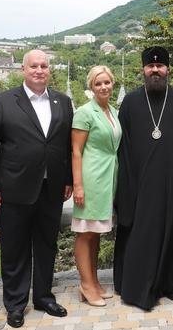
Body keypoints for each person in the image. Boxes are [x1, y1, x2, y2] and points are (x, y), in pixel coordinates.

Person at [0, 50, 74, 328]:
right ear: (23, 69)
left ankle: (44, 297)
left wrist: (68, 179)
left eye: (44, 66)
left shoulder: (62, 101)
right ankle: (16, 304)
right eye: (34, 66)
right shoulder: (4, 101)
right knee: (14, 249)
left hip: (51, 188)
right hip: (14, 189)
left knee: (46, 246)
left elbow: (66, 146)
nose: (39, 70)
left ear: (49, 69)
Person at [113, 46, 173, 311]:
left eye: (160, 66)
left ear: (168, 69)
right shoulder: (130, 102)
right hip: (139, 183)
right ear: (143, 70)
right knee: (140, 234)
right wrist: (127, 186)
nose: (155, 70)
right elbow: (122, 148)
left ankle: (170, 283)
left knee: (170, 232)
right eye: (150, 66)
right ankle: (136, 285)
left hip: (172, 182)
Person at [71, 66, 121, 307]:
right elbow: (76, 151)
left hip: (108, 177)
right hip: (91, 177)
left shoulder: (113, 111)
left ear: (113, 84)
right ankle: (85, 284)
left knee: (96, 231)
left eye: (107, 82)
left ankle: (94, 281)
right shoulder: (84, 112)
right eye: (98, 83)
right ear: (91, 87)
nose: (103, 87)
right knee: (85, 233)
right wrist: (78, 186)